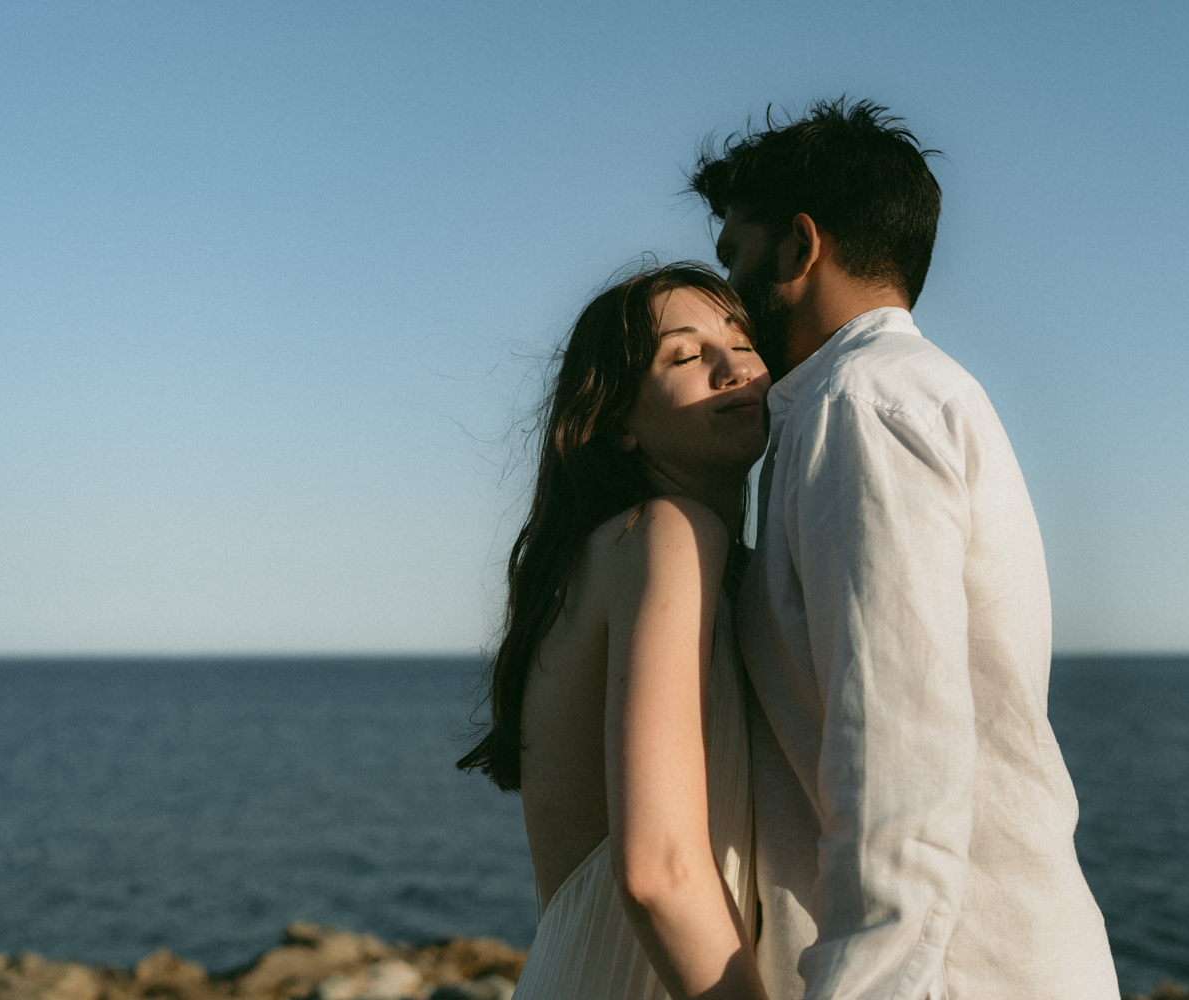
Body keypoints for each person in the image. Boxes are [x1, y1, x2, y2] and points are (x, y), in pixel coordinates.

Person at [690, 99, 1121, 999]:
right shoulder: (887, 398)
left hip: (955, 978)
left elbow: (896, 749)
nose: (726, 295)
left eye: (735, 255)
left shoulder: (860, 409)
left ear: (801, 248)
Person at [457, 263, 772, 1000]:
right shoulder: (662, 534)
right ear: (617, 423)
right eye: (686, 356)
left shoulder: (652, 561)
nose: (735, 368)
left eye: (746, 341)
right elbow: (658, 873)